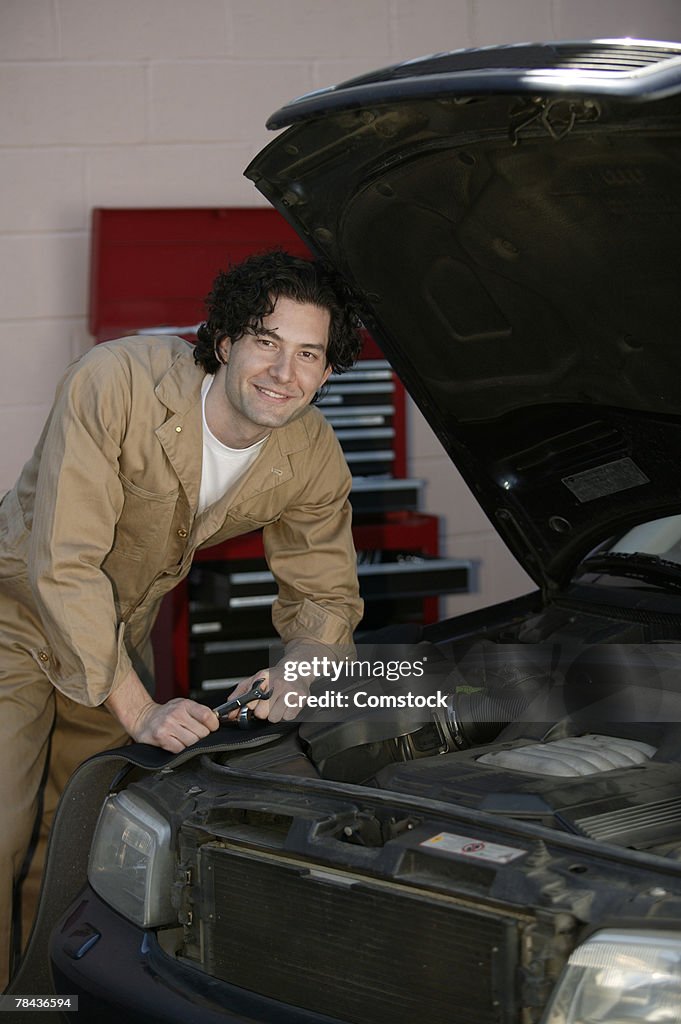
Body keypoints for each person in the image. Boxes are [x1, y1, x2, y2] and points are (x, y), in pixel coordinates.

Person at [0, 249, 364, 989]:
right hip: (16, 613)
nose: (282, 373)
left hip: (114, 633)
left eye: (308, 355)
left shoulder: (312, 452)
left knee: (71, 841)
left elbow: (324, 593)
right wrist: (138, 709)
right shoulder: (118, 380)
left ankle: (36, 1001)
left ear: (326, 373)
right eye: (266, 341)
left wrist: (299, 672)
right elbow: (64, 565)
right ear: (225, 341)